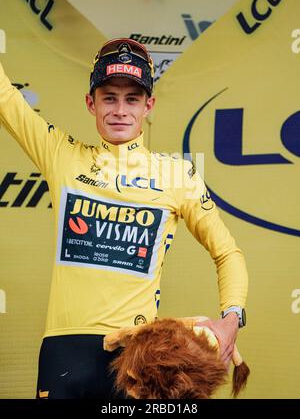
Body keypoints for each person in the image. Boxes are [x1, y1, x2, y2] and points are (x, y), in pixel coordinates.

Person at [0, 38, 248, 399]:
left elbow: (228, 253)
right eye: (109, 97)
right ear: (91, 103)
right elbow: (6, 100)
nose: (120, 110)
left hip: (137, 358)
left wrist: (231, 321)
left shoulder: (176, 176)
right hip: (64, 350)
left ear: (149, 105)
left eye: (132, 99)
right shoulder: (63, 157)